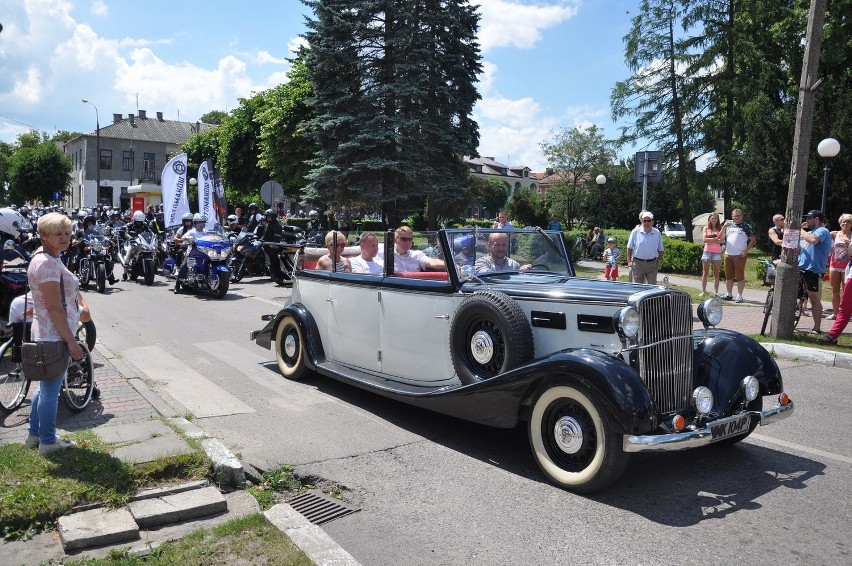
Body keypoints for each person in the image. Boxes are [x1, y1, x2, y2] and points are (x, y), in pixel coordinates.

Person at [24, 212, 84, 454]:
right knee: (51, 391)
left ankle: (34, 435)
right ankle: (48, 442)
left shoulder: (47, 257)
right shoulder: (47, 263)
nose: (64, 238)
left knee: (45, 388)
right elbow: (53, 306)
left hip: (48, 332)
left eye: (67, 233)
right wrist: (71, 341)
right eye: (57, 233)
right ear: (43, 236)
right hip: (54, 334)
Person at [798, 210, 832, 334]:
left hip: (813, 270)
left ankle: (816, 328)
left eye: (809, 218)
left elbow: (813, 240)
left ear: (817, 219)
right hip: (802, 268)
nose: (806, 221)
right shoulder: (809, 232)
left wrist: (799, 230)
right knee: (796, 295)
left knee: (814, 298)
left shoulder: (822, 231)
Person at [721, 208, 757, 303]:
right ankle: (729, 294)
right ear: (732, 216)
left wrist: (745, 251)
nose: (736, 217)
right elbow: (721, 238)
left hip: (739, 255)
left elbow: (753, 240)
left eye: (738, 216)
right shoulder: (728, 225)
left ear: (742, 216)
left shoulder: (746, 226)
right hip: (728, 254)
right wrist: (724, 227)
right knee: (728, 276)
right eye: (734, 216)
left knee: (739, 276)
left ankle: (739, 295)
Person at [626, 211, 664, 284]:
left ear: (652, 222)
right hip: (637, 264)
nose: (646, 223)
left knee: (652, 287)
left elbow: (660, 249)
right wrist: (629, 261)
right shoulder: (635, 232)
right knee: (637, 287)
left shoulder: (657, 233)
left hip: (652, 264)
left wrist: (659, 261)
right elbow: (629, 247)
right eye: (644, 221)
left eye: (648, 221)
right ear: (642, 221)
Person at [173, 214, 208, 293]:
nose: (200, 224)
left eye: (202, 222)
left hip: (204, 253)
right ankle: (177, 286)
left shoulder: (206, 232)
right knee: (184, 267)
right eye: (198, 223)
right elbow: (182, 238)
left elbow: (213, 237)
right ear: (195, 223)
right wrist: (183, 240)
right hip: (192, 253)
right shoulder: (191, 232)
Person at [827, 214, 852, 320]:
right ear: (840, 223)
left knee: (846, 291)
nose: (845, 223)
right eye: (843, 221)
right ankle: (836, 313)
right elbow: (822, 239)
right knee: (835, 290)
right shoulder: (834, 234)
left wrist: (849, 245)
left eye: (848, 222)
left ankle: (846, 313)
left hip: (848, 267)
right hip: (835, 266)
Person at [701, 212, 724, 296]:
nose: (714, 220)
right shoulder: (706, 228)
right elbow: (704, 240)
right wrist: (715, 239)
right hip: (707, 251)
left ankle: (716, 292)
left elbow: (721, 241)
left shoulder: (720, 228)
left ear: (718, 220)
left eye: (715, 218)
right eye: (712, 218)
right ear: (709, 219)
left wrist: (710, 239)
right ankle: (703, 291)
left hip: (717, 252)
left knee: (716, 273)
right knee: (705, 272)